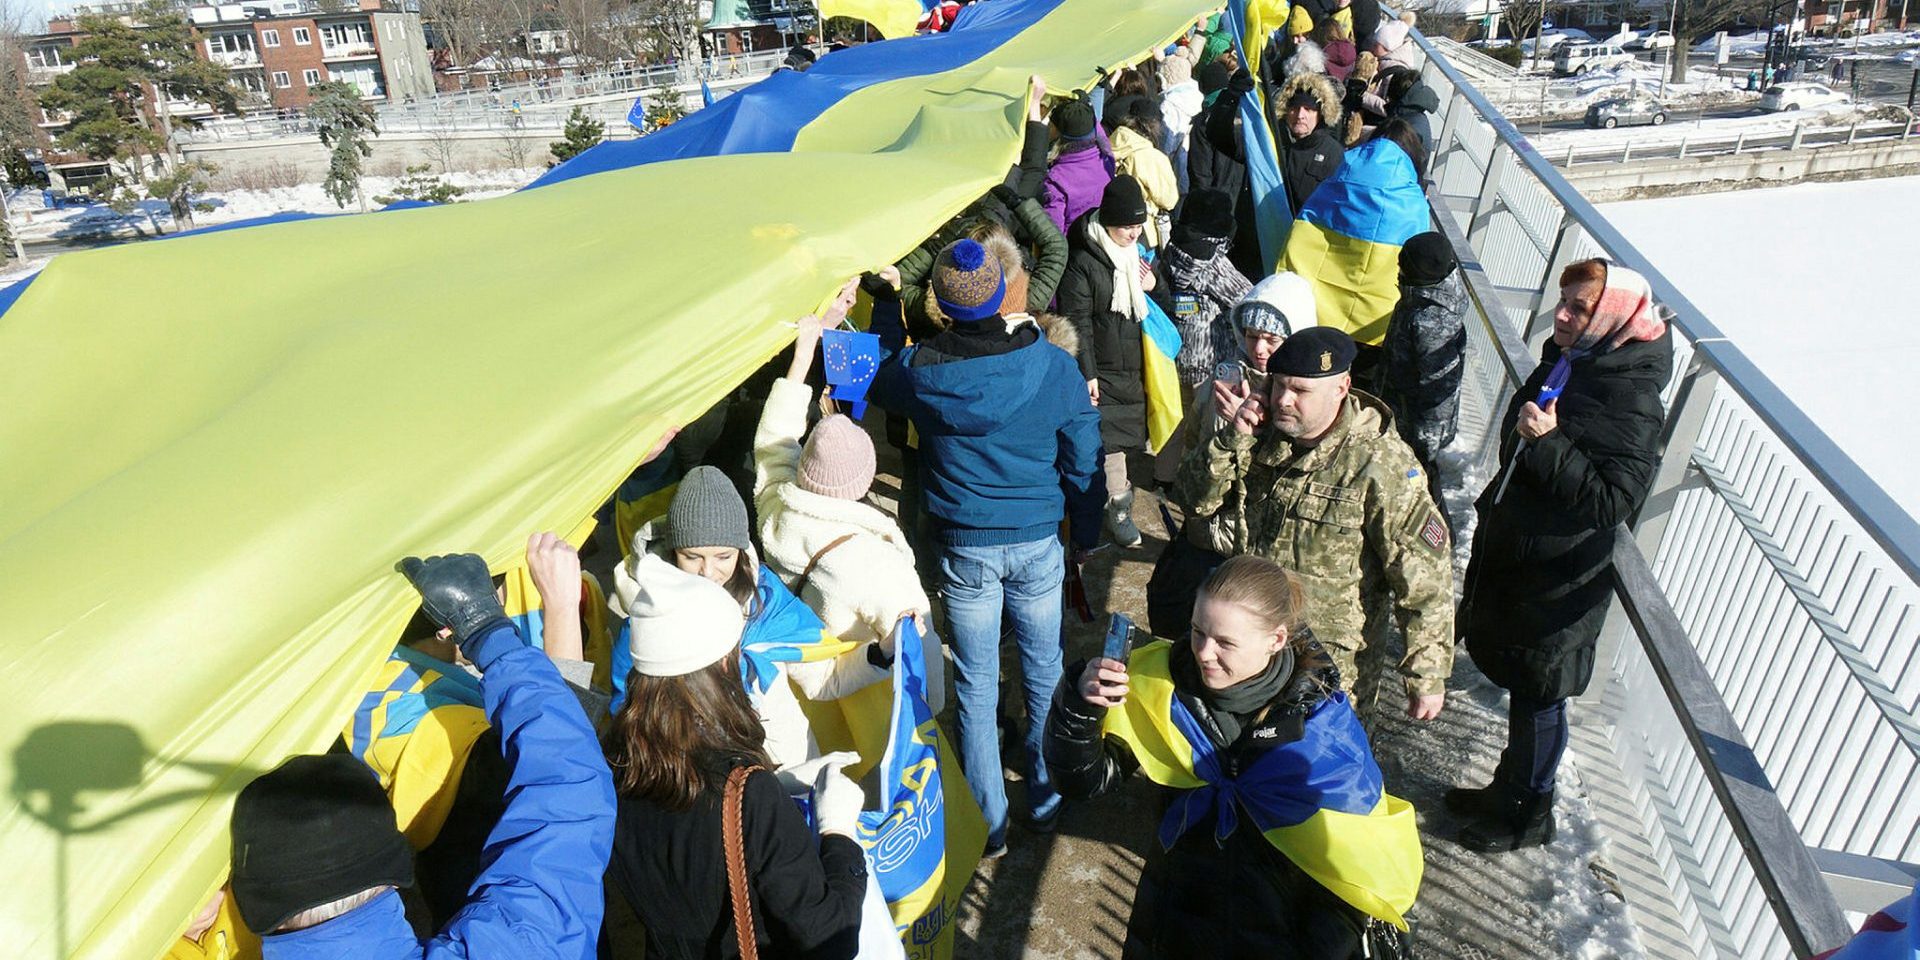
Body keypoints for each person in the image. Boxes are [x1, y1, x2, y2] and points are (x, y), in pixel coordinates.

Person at [226, 552, 615, 958]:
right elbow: (563, 782)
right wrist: (498, 625)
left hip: (450, 883)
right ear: (448, 628)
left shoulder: (360, 701)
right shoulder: (453, 735)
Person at [1045, 555, 1421, 959]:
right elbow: (1081, 781)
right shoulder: (1163, 687)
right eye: (1196, 631)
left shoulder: (1321, 730)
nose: (1204, 653)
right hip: (1176, 915)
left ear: (1276, 640)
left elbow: (1354, 868)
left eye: (1225, 642)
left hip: (1275, 934)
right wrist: (1081, 706)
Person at [870, 237, 1106, 856]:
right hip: (1036, 541)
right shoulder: (1052, 367)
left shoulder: (923, 372)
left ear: (942, 307)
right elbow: (1084, 454)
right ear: (1004, 296)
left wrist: (884, 302)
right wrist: (1085, 533)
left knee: (976, 686)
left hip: (965, 547)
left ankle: (991, 826)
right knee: (1046, 670)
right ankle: (1047, 798)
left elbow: (876, 368)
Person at [1452, 259, 1673, 852]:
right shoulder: (1573, 356)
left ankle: (1529, 815)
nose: (1562, 315)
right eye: (1563, 301)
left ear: (1612, 319)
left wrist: (1548, 444)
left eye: (1579, 308)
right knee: (1525, 685)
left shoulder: (1632, 395)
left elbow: (1614, 498)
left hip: (1560, 575)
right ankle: (1507, 792)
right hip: (1526, 553)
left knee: (1539, 695)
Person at [1174, 326, 1454, 720]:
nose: (1284, 400)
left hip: (1330, 663)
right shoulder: (1259, 433)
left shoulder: (1380, 463)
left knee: (1320, 769)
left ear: (1342, 388)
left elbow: (1424, 575)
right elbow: (1192, 501)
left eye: (1301, 391)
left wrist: (1426, 674)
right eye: (1279, 386)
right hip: (1251, 649)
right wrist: (1232, 439)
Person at [603, 554, 869, 958]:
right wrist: (839, 831)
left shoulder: (612, 764)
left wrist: (776, 788)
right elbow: (831, 938)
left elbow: (692, 822)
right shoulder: (752, 797)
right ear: (725, 663)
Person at [752, 291, 936, 703]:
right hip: (864, 695)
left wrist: (805, 353)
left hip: (806, 688)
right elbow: (922, 664)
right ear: (865, 478)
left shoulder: (776, 510)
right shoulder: (872, 563)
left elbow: (772, 444)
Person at [1147, 272, 1318, 638]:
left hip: (1257, 557)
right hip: (1207, 540)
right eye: (1252, 336)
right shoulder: (1220, 384)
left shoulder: (1305, 400)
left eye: (1272, 339)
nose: (1259, 349)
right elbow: (1192, 454)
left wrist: (1252, 431)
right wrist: (1228, 433)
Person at [1057, 175, 1171, 550]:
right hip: (1104, 368)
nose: (1134, 233)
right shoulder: (1083, 262)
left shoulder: (1140, 256)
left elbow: (1166, 310)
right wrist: (1087, 371)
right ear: (1107, 221)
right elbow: (1078, 323)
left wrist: (1155, 285)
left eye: (1139, 225)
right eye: (1126, 226)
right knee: (1111, 445)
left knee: (1133, 439)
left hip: (1141, 366)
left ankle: (1115, 505)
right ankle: (1118, 511)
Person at [1153, 188, 1252, 491]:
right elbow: (1248, 300)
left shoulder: (1173, 250)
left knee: (1174, 423)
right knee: (1206, 430)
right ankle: (1199, 484)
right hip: (1210, 364)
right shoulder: (1214, 264)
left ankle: (1163, 478)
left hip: (1173, 355)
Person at [1378, 231, 1467, 484]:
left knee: (1412, 483)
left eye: (1402, 266)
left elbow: (1440, 392)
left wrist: (1425, 445)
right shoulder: (1420, 298)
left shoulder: (1432, 321)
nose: (1397, 270)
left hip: (1412, 432)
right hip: (1399, 417)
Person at [1105, 95, 1181, 249]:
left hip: (1111, 225)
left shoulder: (1110, 145)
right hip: (1141, 230)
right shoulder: (1153, 157)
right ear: (1154, 124)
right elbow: (1169, 200)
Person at [1042, 95, 1115, 236]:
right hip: (1101, 238)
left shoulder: (1056, 180)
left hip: (1075, 247)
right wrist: (1088, 108)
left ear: (1058, 134)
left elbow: (1054, 235)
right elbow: (1102, 138)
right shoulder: (1105, 161)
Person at [1158, 50, 1206, 196]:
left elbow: (1167, 145)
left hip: (1176, 168)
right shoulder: (1198, 96)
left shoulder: (1169, 105)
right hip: (1196, 163)